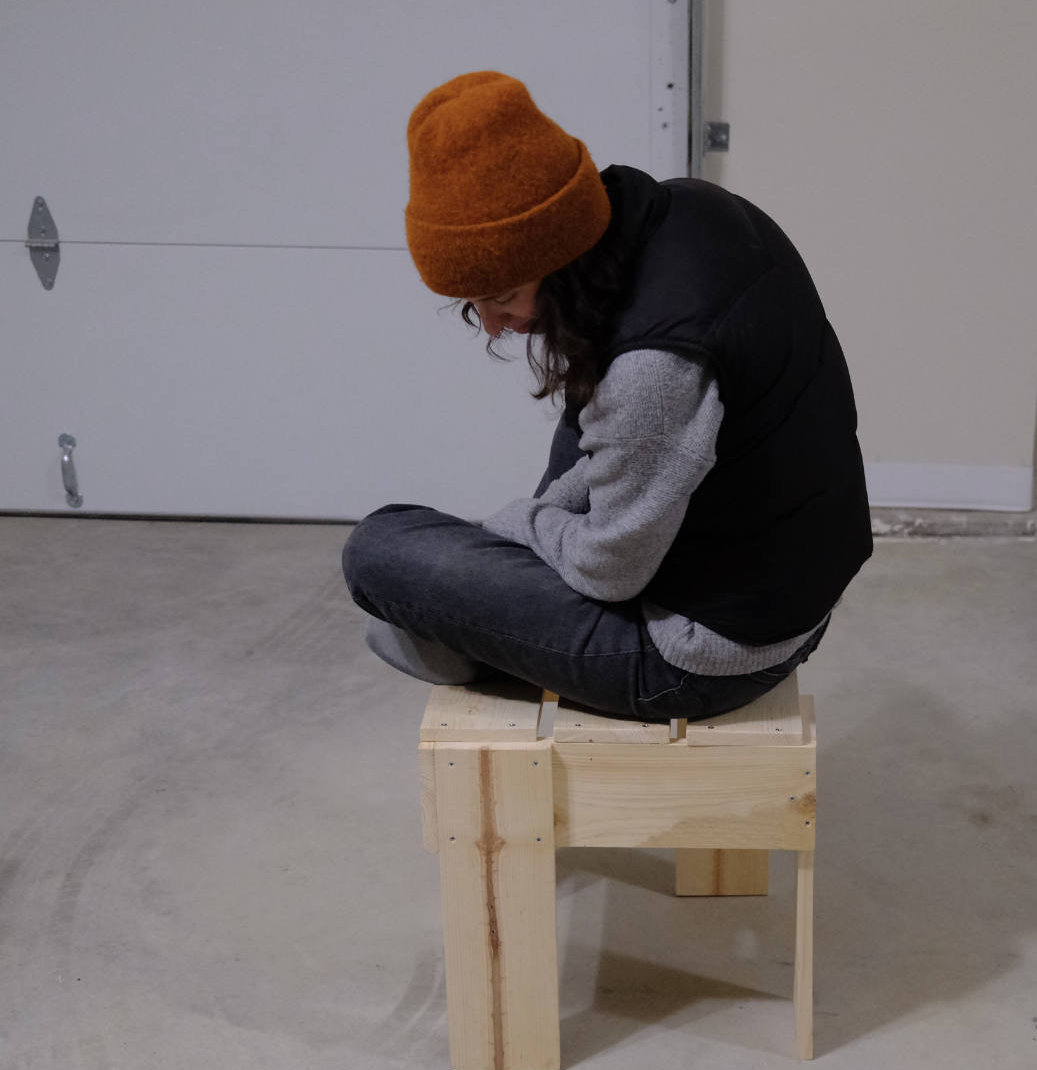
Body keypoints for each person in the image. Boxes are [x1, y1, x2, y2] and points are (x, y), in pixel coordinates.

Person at [341, 71, 872, 722]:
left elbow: (608, 571)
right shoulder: (692, 208)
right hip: (776, 577)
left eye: (504, 295)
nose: (491, 325)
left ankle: (477, 637)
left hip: (702, 656)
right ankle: (493, 614)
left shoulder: (652, 365)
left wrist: (513, 526)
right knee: (580, 422)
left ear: (559, 249)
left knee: (378, 550)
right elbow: (624, 447)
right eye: (472, 303)